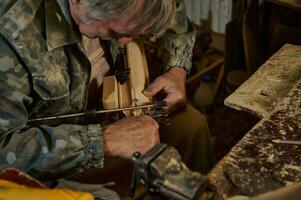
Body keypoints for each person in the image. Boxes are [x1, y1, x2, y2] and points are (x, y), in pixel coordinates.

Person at [0, 0, 214, 197]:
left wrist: (176, 69)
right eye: (116, 31)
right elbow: (4, 150)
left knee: (192, 127)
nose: (128, 41)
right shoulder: (11, 33)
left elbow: (170, 10)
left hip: (109, 113)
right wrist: (103, 141)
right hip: (50, 156)